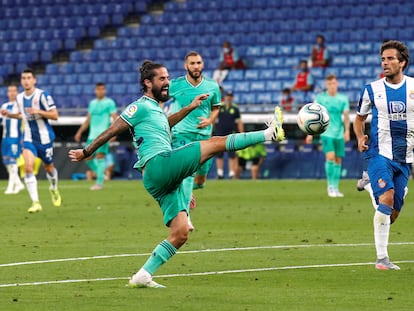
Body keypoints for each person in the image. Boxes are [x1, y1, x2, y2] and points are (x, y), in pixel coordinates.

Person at [68, 60, 285, 288]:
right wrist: (86, 151)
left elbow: (166, 123)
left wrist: (189, 108)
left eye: (168, 78)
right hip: (158, 164)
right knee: (213, 143)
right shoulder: (139, 106)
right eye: (162, 79)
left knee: (180, 233)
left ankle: (143, 275)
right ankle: (270, 134)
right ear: (147, 82)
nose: (167, 83)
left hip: (160, 177)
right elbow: (113, 129)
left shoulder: (157, 110)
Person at [354, 40, 412, 270]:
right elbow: (359, 119)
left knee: (391, 215)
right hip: (378, 152)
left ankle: (369, 186)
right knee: (386, 197)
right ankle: (382, 259)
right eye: (383, 59)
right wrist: (360, 137)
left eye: (390, 59)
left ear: (403, 62)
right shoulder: (372, 90)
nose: (385, 63)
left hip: (405, 158)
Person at [169, 51, 222, 228]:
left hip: (204, 136)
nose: (196, 66)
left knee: (199, 180)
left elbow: (216, 108)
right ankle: (185, 216)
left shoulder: (212, 86)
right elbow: (158, 98)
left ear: (203, 64)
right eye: (192, 63)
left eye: (199, 63)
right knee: (187, 174)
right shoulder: (175, 85)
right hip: (181, 134)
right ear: (186, 66)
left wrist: (210, 120)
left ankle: (188, 192)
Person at [1, 68, 61, 212]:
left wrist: (38, 111)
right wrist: (9, 115)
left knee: (49, 167)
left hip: (45, 138)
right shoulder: (20, 98)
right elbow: (22, 116)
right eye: (23, 78)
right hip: (28, 138)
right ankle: (35, 202)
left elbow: (55, 115)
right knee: (28, 167)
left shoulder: (42, 96)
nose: (26, 80)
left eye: (29, 78)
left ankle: (54, 188)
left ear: (34, 80)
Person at [306, 74, 350, 197]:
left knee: (338, 160)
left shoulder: (343, 98)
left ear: (337, 84)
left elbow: (346, 116)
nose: (332, 86)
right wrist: (310, 133)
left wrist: (347, 131)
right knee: (330, 157)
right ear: (326, 85)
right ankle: (330, 186)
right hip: (326, 132)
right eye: (330, 84)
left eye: (334, 83)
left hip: (339, 133)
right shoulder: (320, 98)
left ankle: (336, 187)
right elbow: (313, 116)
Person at [74, 82, 117, 190]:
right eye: (98, 89)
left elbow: (115, 118)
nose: (100, 91)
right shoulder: (92, 103)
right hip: (91, 135)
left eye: (102, 89)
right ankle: (102, 175)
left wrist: (113, 133)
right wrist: (79, 132)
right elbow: (88, 120)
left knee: (100, 156)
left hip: (103, 135)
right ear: (95, 90)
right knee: (86, 156)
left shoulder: (109, 102)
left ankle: (99, 183)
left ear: (105, 90)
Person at [0, 85, 25, 194]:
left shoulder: (20, 106)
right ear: (7, 93)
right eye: (10, 91)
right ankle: (19, 184)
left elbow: (23, 118)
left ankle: (11, 187)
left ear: (17, 92)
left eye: (14, 91)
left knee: (13, 161)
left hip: (15, 138)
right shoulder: (4, 106)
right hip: (5, 137)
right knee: (6, 162)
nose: (12, 93)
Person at [214, 90, 244, 179]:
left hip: (231, 133)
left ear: (232, 98)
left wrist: (241, 133)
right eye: (228, 96)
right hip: (220, 133)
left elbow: (239, 122)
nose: (229, 98)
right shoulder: (220, 107)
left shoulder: (235, 108)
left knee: (232, 155)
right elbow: (213, 118)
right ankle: (220, 173)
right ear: (225, 97)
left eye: (230, 96)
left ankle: (231, 173)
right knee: (219, 155)